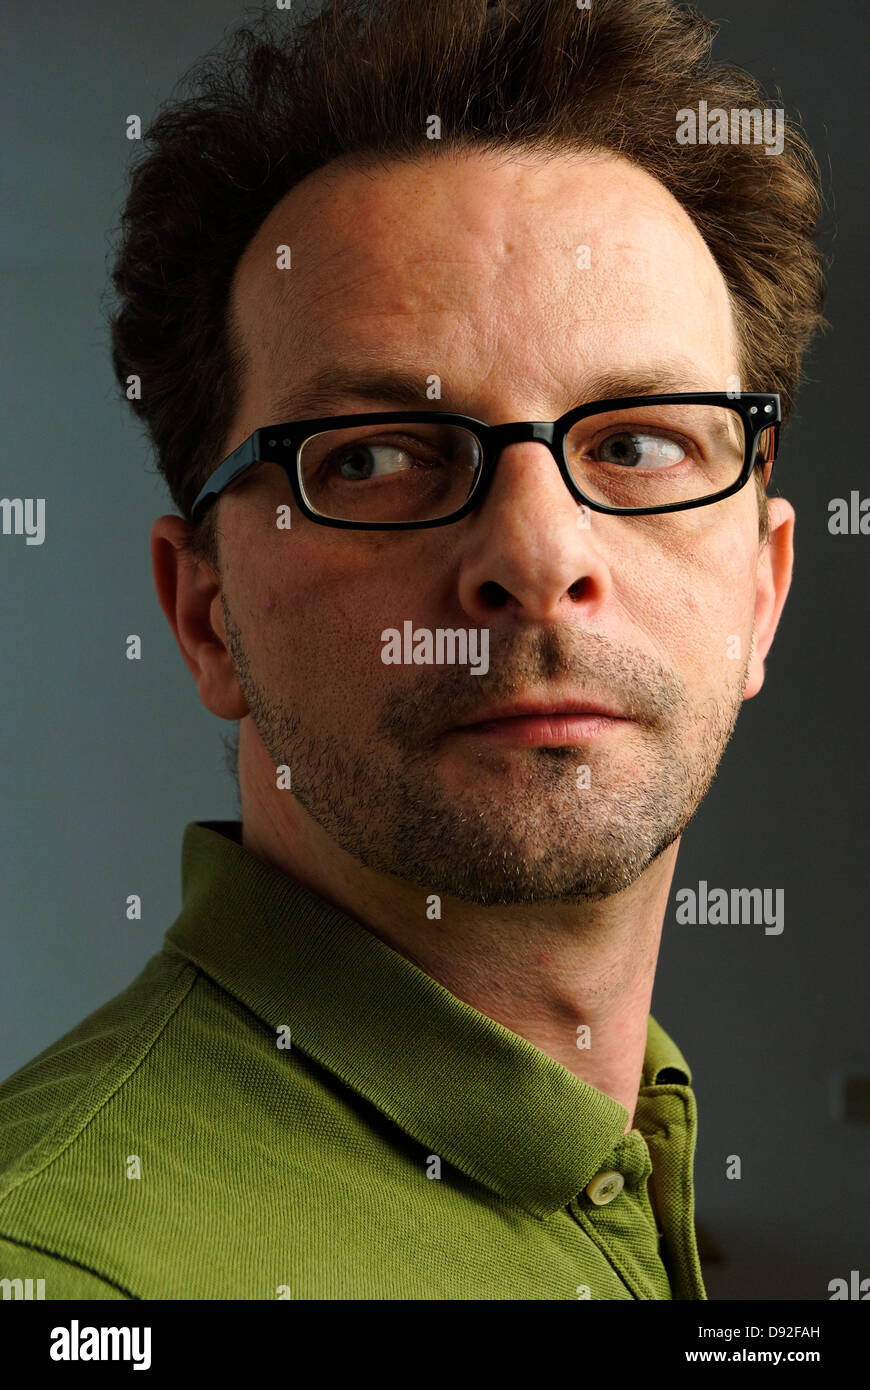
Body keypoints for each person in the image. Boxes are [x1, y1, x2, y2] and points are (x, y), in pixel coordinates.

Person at [0, 0, 824, 1300]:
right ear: (206, 612)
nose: (540, 554)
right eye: (375, 458)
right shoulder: (60, 1276)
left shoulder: (633, 1135)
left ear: (760, 593)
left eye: (636, 443)